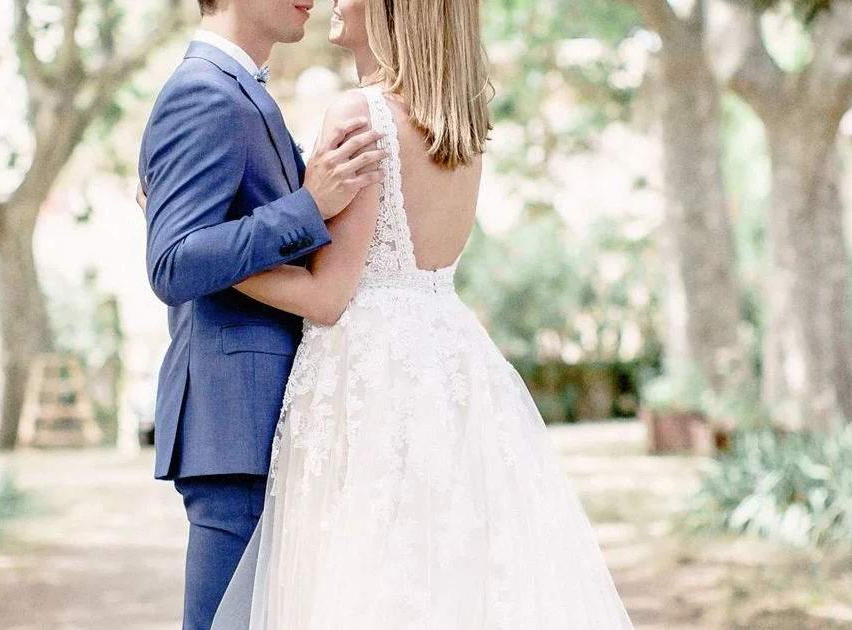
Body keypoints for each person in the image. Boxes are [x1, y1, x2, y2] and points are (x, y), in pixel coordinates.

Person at [206, 0, 637, 627]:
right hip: (450, 364)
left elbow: (327, 297)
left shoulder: (361, 115)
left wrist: (210, 253)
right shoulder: (459, 128)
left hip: (369, 375)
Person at [135, 0, 386, 626]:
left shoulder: (241, 91)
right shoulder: (203, 92)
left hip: (265, 419)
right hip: (236, 425)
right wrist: (308, 206)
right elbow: (173, 264)